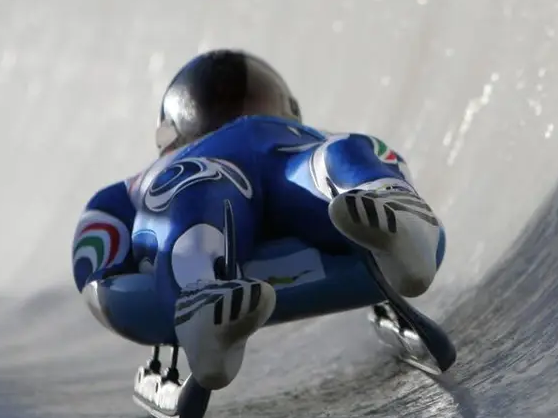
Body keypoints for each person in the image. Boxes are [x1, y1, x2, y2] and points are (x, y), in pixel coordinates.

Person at [70, 49, 446, 396]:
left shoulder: (306, 137)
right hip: (209, 179)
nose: (243, 118)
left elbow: (94, 252)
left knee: (341, 153)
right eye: (220, 107)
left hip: (287, 160)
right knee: (198, 184)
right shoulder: (148, 179)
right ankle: (201, 295)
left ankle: (394, 218)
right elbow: (99, 254)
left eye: (255, 103)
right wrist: (107, 283)